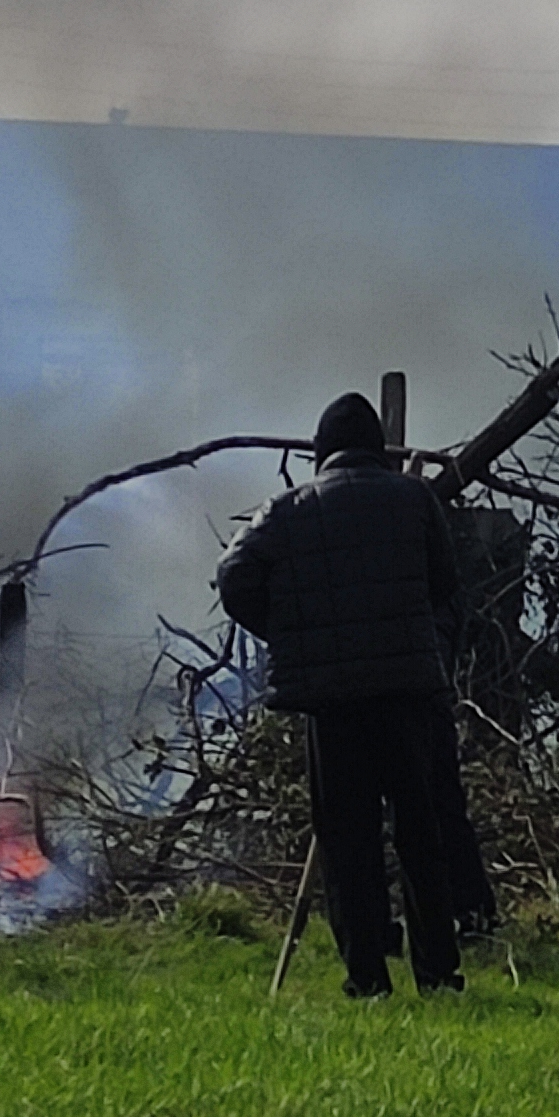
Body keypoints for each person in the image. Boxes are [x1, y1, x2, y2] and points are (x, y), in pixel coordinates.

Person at [217, 392, 470, 997]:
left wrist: (286, 631)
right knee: (420, 836)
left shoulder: (289, 510)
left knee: (347, 844)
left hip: (333, 705)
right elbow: (447, 585)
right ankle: (437, 972)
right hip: (409, 695)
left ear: (321, 452)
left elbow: (233, 576)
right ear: (378, 448)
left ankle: (367, 978)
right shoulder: (416, 499)